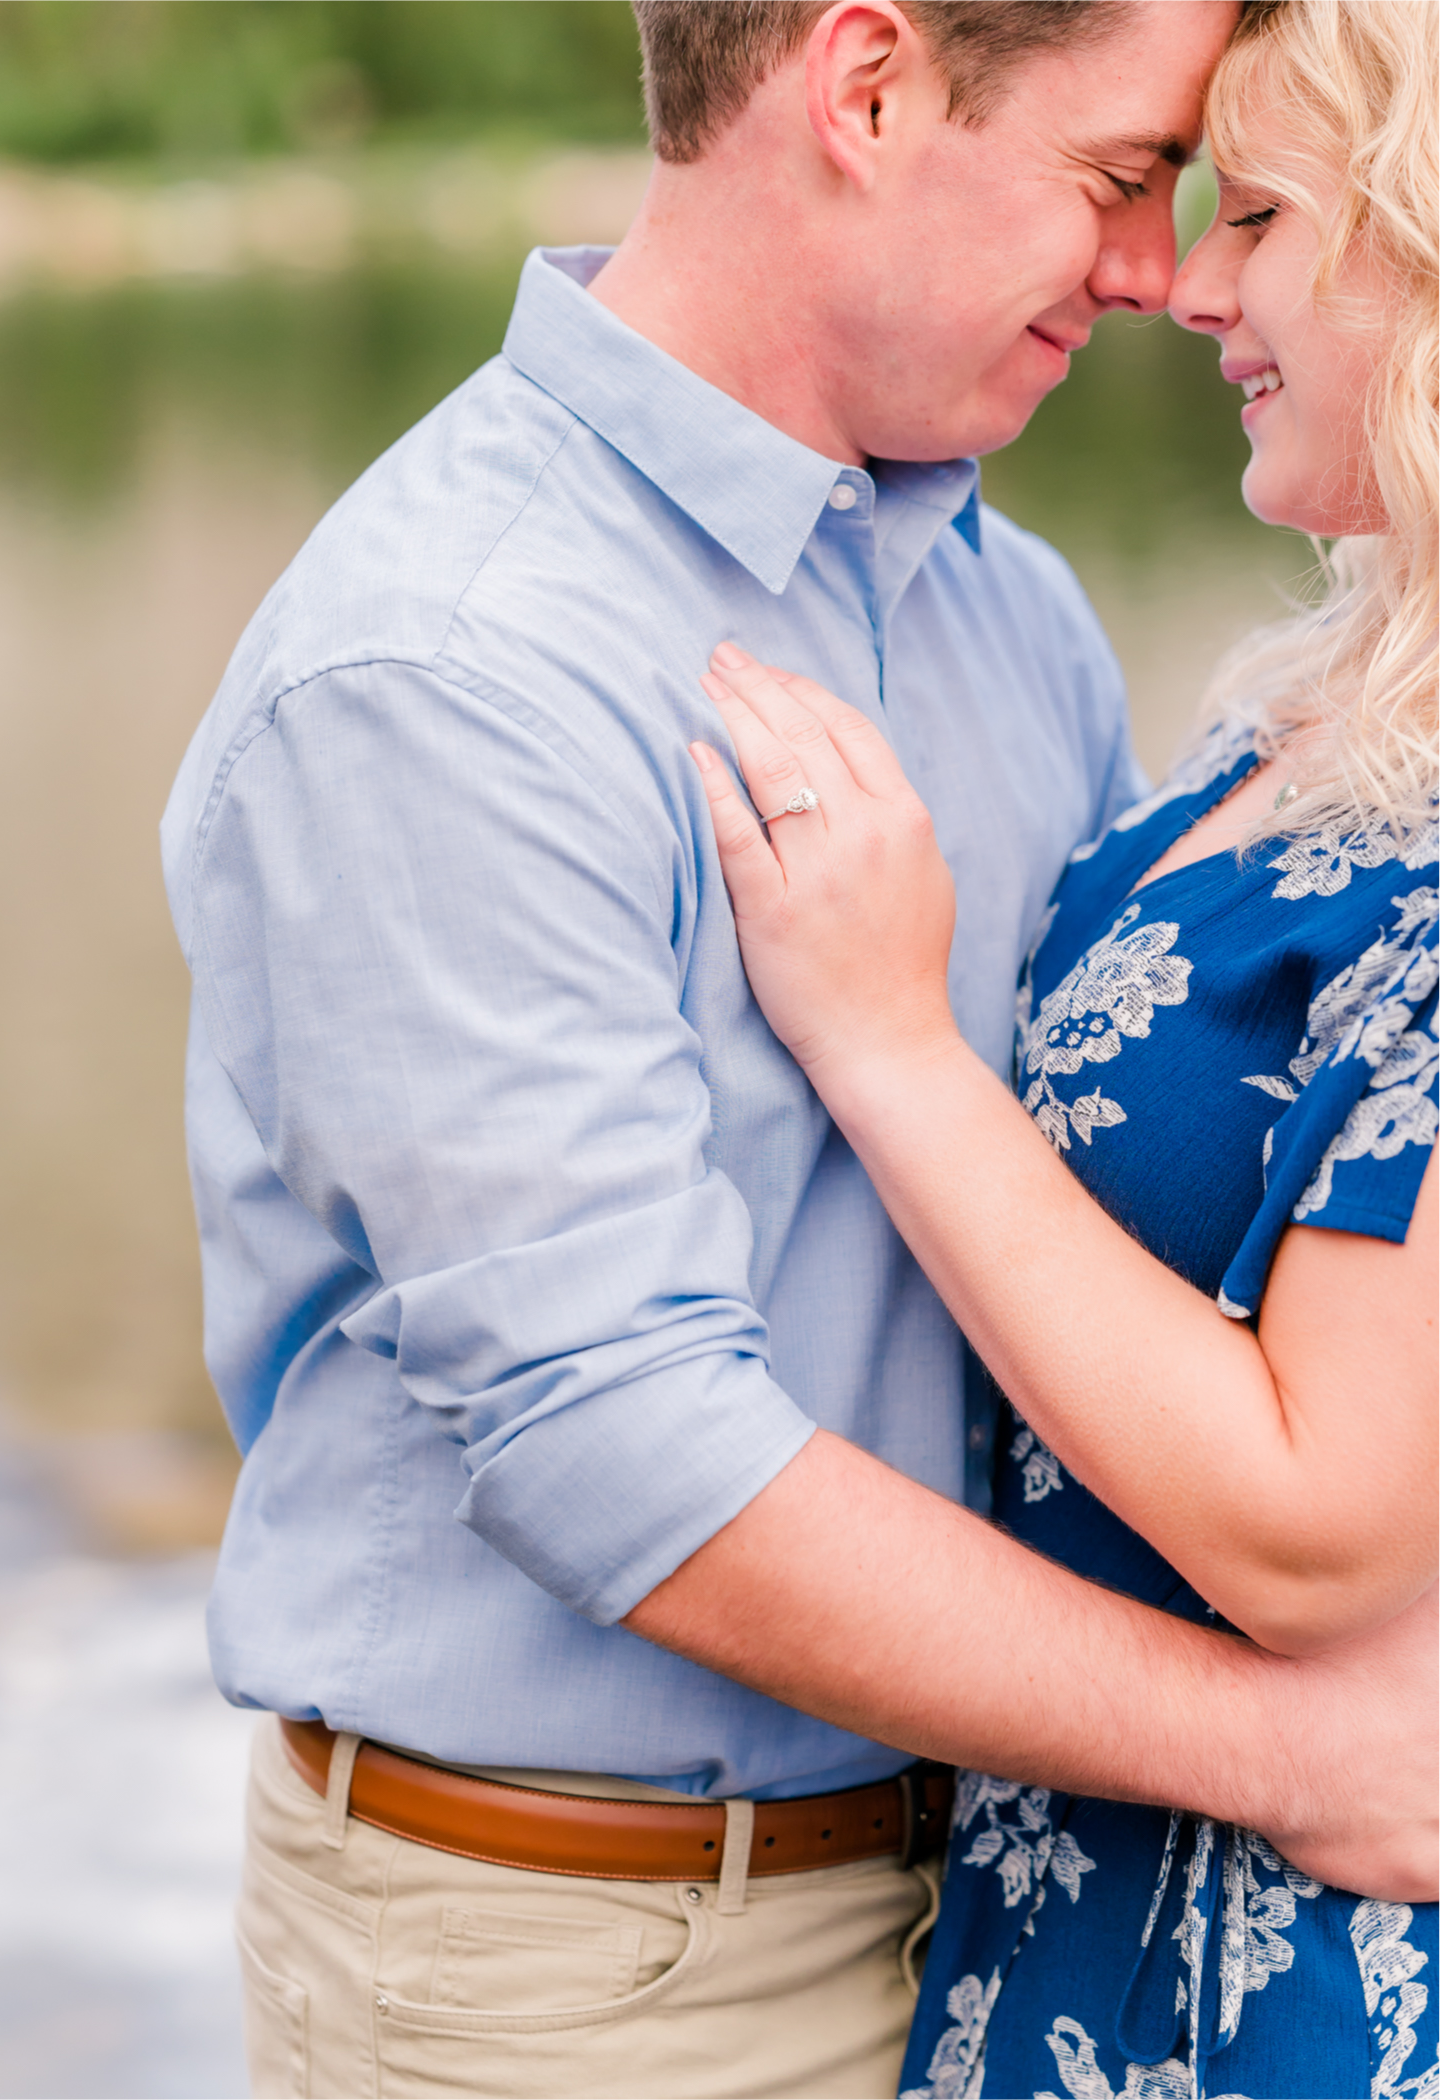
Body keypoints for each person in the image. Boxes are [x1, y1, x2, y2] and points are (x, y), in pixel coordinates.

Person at [160, 3, 1435, 2095]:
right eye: (1122, 179)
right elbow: (620, 1446)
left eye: (1217, 201)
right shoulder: (453, 665)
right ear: (862, 92)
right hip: (597, 1957)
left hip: (1022, 1901)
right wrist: (1293, 1746)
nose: (1156, 274)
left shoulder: (1000, 607)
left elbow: (1160, 1207)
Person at [690, 2, 1438, 2093]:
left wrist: (888, 1043)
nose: (1185, 284)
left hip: (1291, 1973)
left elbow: (1320, 1524)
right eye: (1167, 196)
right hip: (1042, 1911)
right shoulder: (1296, 706)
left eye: (1260, 216)